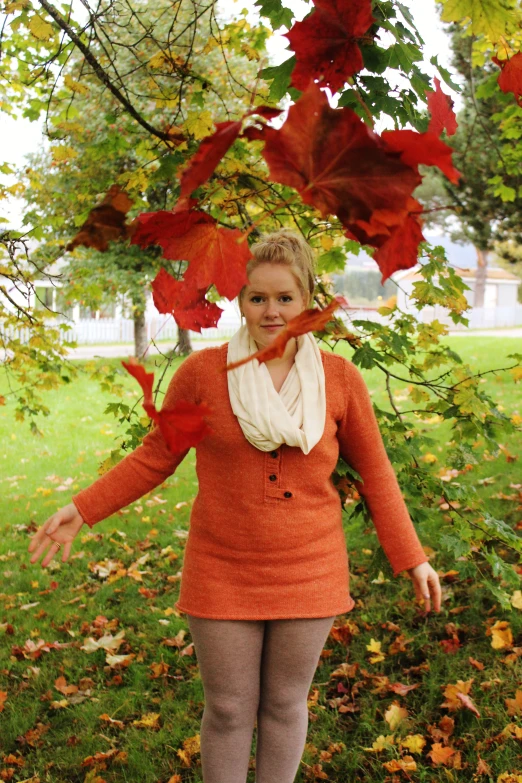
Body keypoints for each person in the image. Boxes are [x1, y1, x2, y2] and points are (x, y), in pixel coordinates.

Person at [28, 228, 442, 783]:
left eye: (285, 297)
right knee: (226, 709)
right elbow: (156, 457)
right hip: (222, 567)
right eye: (257, 297)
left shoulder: (340, 380)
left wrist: (412, 557)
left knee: (285, 705)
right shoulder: (203, 375)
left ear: (308, 300)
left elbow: (376, 473)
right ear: (240, 300)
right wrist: (83, 509)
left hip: (310, 568)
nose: (271, 311)